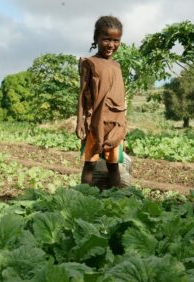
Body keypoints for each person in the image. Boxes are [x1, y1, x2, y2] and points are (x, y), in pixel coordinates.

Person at [75, 15, 127, 189]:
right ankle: (85, 197)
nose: (111, 44)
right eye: (106, 39)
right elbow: (82, 94)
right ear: (96, 38)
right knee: (89, 164)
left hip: (115, 124)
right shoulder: (89, 63)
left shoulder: (117, 66)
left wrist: (123, 123)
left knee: (114, 166)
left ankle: (116, 199)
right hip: (95, 122)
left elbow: (119, 96)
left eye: (116, 40)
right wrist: (79, 122)